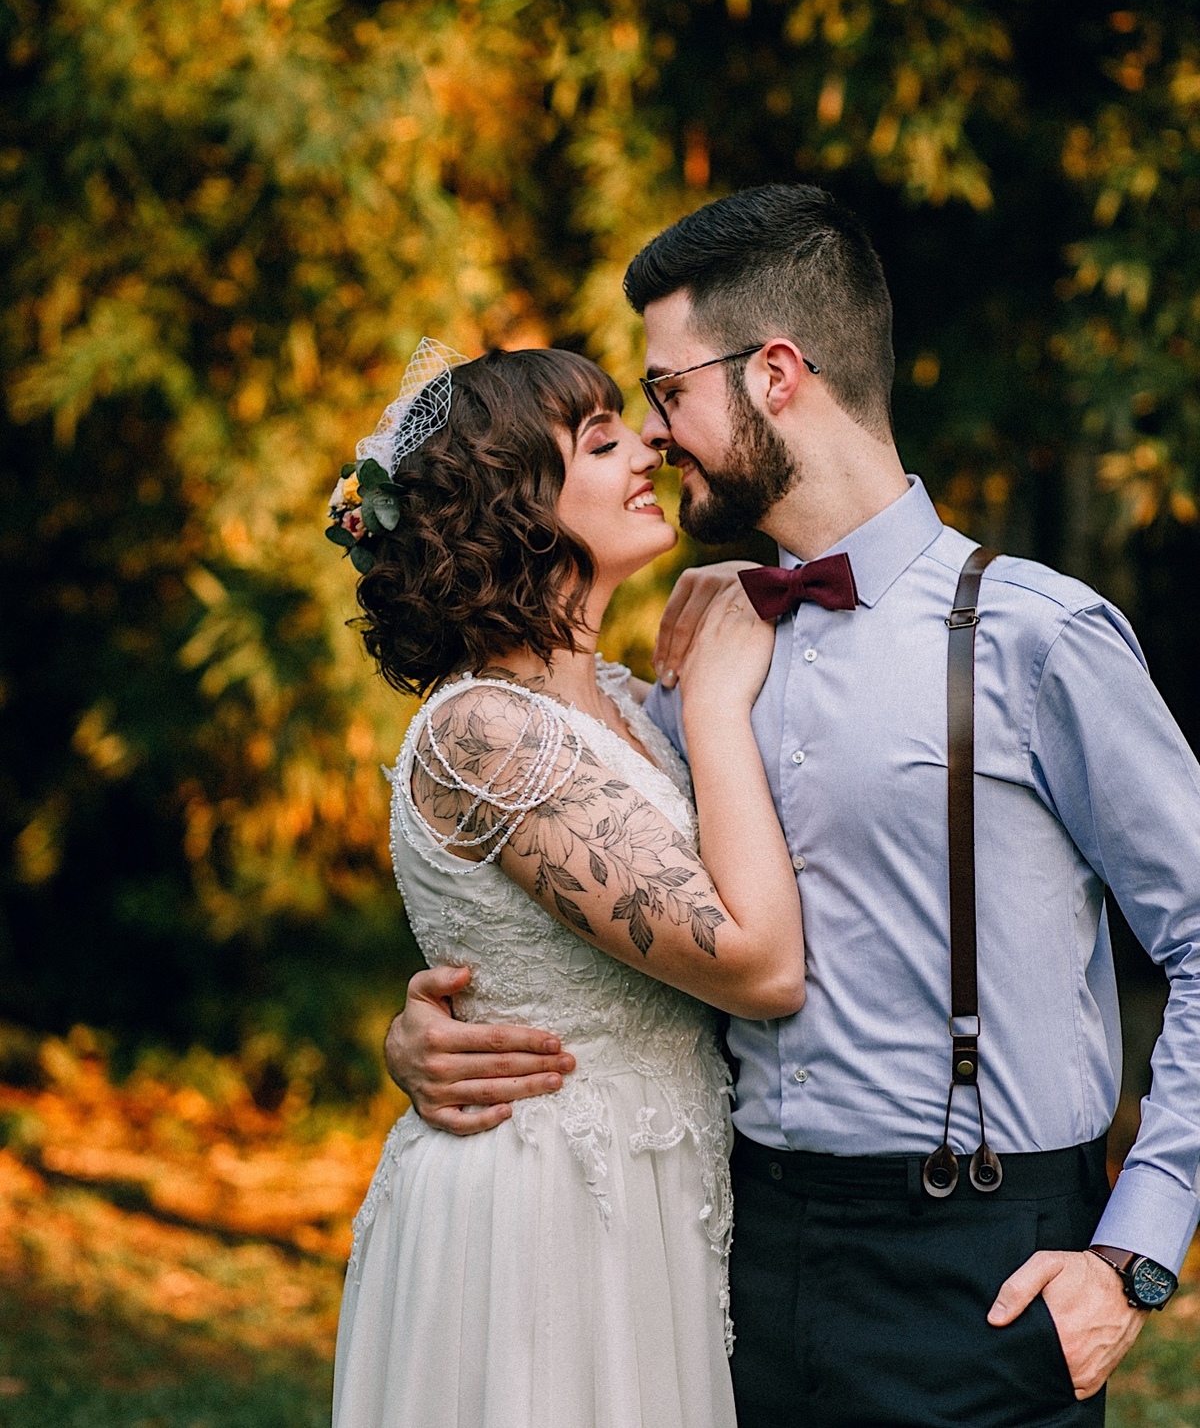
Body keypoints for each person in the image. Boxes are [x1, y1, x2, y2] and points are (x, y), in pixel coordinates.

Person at [385, 186, 1200, 1428]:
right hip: (729, 1264)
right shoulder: (689, 653)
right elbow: (604, 909)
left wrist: (1134, 1254)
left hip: (983, 1271)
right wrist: (434, 1028)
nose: (656, 436)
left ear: (774, 373)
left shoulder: (1039, 635)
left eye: (666, 392)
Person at [329, 342, 805, 1428]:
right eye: (599, 439)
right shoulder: (482, 733)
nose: (647, 444)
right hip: (540, 1217)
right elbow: (763, 964)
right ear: (516, 509)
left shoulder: (629, 707)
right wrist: (724, 702)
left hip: (649, 1200)